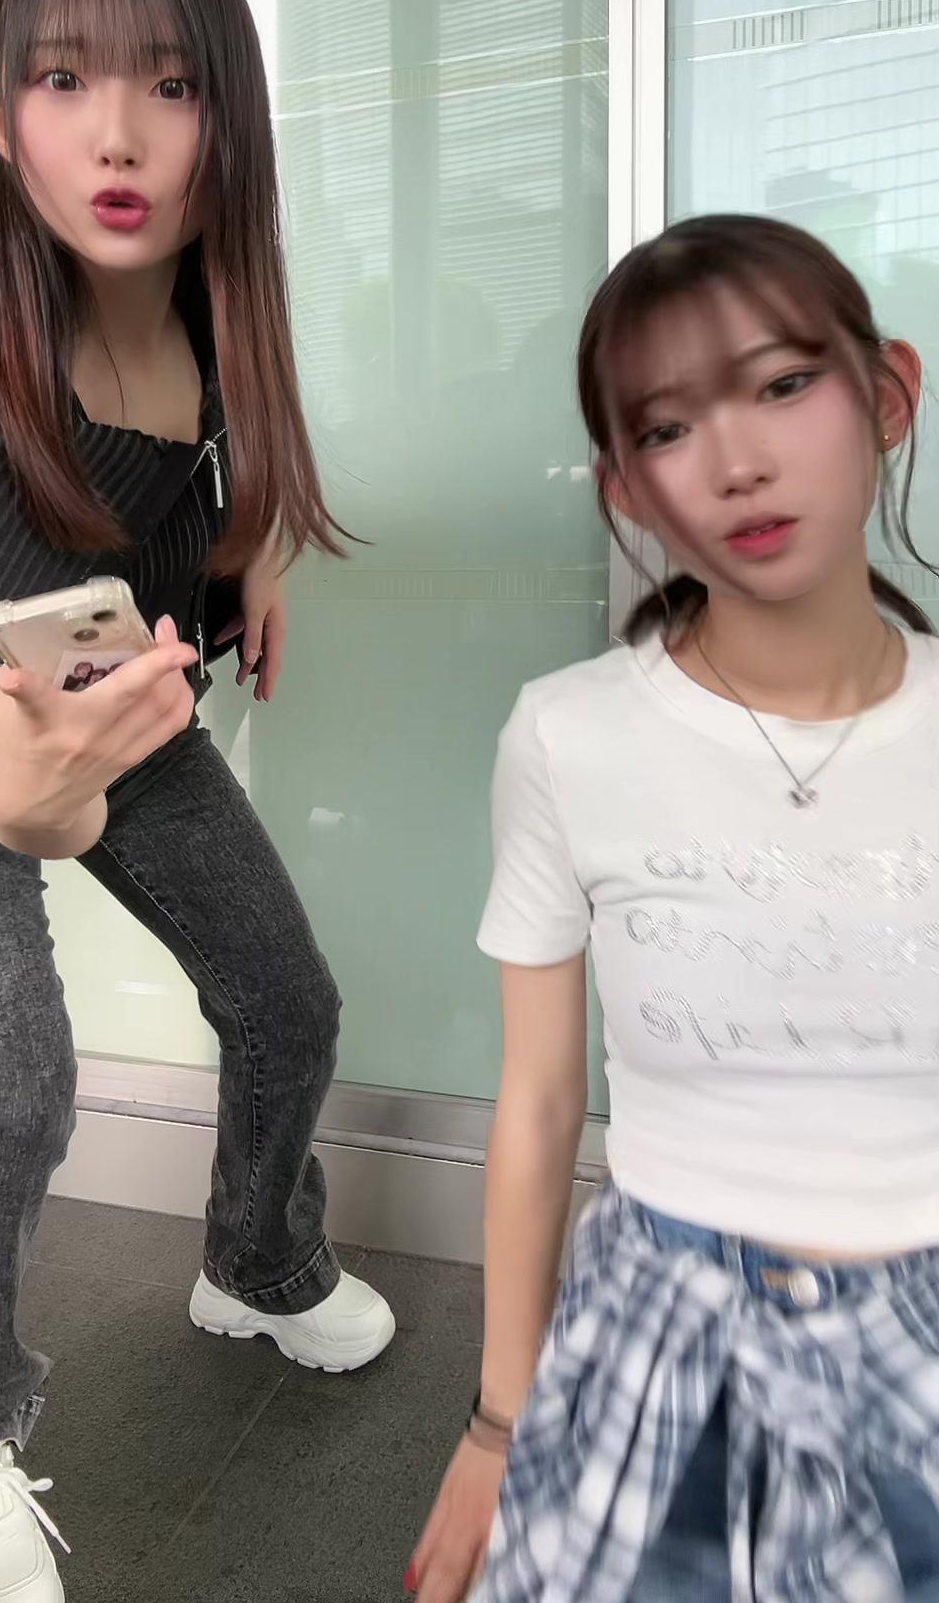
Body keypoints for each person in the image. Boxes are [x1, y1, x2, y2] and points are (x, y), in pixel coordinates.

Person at [0, 0, 394, 1603]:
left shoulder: (213, 296)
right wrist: (52, 791)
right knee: (10, 1082)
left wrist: (254, 565)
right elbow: (32, 791)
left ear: (227, 115)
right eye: (64, 80)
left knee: (289, 1001)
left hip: (118, 711)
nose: (117, 135)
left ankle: (255, 1261)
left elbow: (230, 472)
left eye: (170, 85)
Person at [409, 214, 939, 1602]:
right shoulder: (566, 735)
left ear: (888, 394)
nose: (737, 462)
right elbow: (539, 1104)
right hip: (657, 1332)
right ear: (627, 490)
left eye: (783, 385)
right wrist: (495, 1426)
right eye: (666, 429)